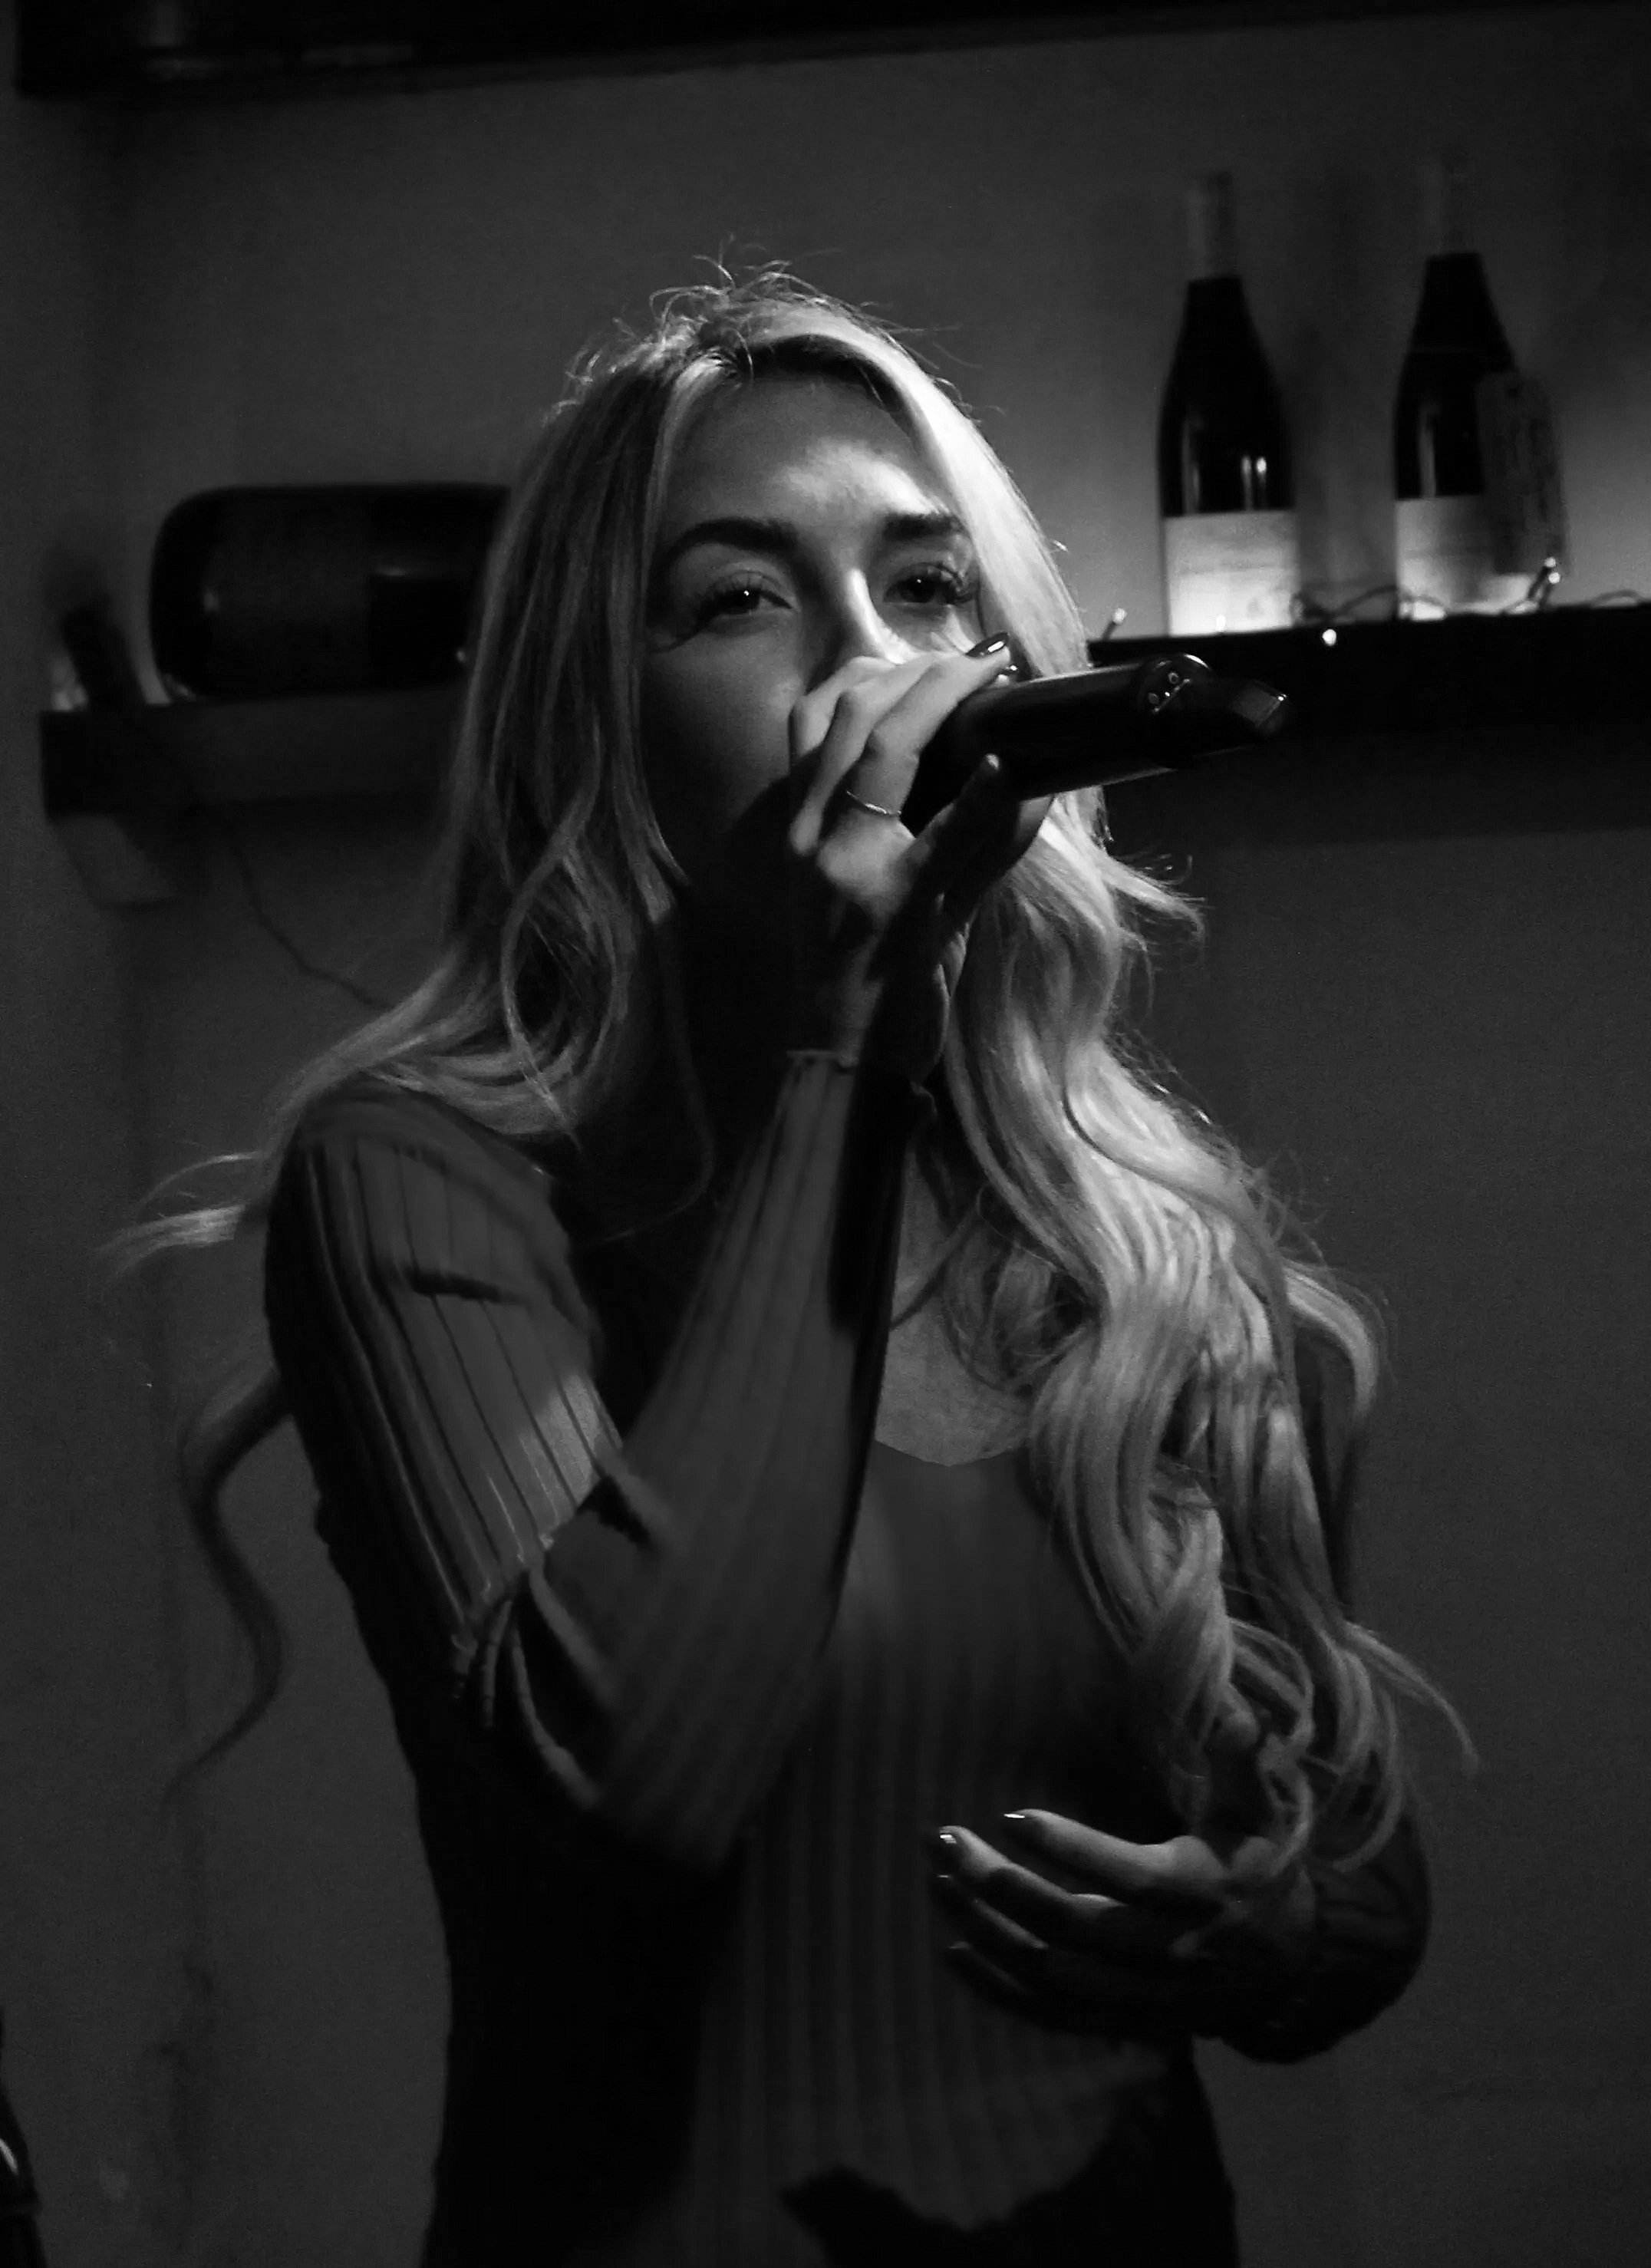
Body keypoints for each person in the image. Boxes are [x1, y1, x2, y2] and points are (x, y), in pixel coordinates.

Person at [134, 274, 1451, 2267]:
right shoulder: (423, 1179)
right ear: (596, 708)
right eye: (741, 598)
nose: (870, 666)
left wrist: (1287, 1927)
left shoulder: (1130, 1230)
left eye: (926, 590)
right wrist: (839, 1049)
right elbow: (633, 1771)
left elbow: (1337, 1849)